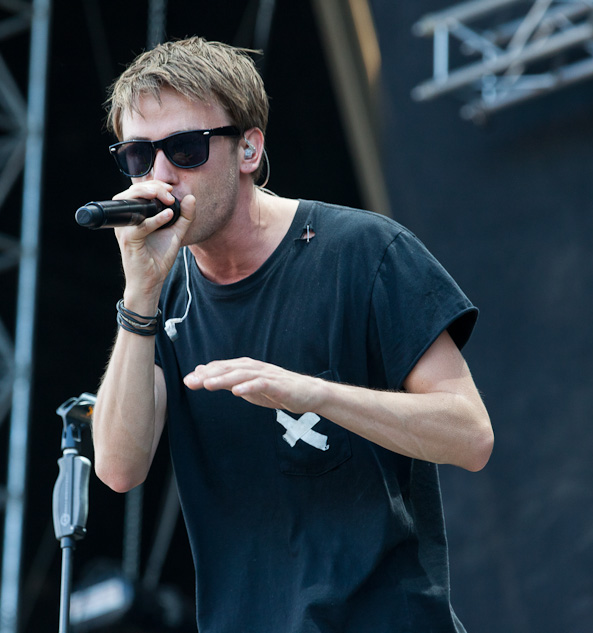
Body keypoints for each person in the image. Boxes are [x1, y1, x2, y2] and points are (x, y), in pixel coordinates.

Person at [89, 37, 493, 633]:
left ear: (249, 148)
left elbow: (470, 435)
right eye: (138, 156)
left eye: (185, 149)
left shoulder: (364, 250)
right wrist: (139, 294)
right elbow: (119, 468)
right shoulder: (157, 297)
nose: (162, 175)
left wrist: (314, 394)